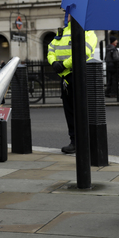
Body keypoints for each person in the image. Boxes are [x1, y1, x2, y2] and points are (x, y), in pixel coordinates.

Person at [46, 12, 98, 154]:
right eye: (68, 13)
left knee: (83, 111)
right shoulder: (61, 33)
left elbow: (84, 51)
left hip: (80, 75)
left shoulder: (88, 31)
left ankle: (87, 141)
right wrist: (54, 62)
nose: (69, 15)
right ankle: (75, 141)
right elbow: (51, 49)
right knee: (70, 111)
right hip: (66, 78)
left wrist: (64, 64)